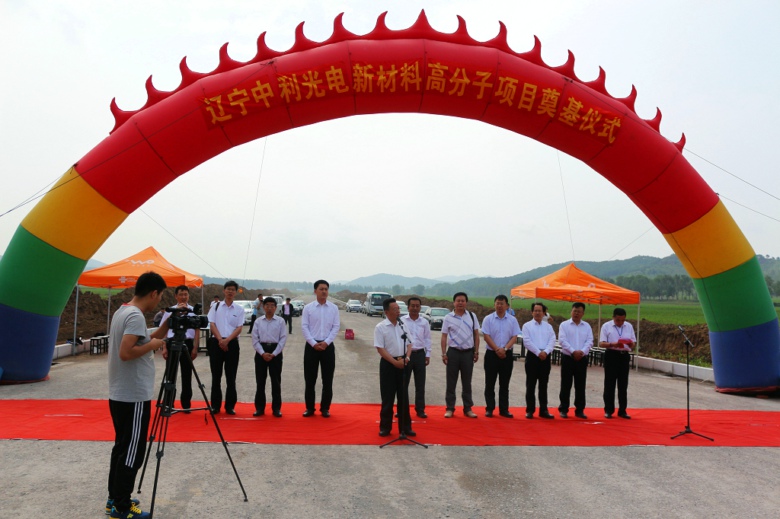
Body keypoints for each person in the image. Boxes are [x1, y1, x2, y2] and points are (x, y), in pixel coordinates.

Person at [105, 271, 168, 519]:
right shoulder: (135, 316)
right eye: (160, 296)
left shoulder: (123, 311)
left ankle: (115, 498)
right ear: (153, 293)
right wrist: (153, 345)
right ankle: (122, 507)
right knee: (133, 452)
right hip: (133, 395)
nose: (159, 301)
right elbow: (126, 352)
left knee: (122, 447)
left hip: (120, 393)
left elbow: (138, 340)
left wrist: (163, 330)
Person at [375, 298, 414, 437]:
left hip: (403, 363)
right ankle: (385, 427)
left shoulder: (403, 325)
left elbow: (410, 343)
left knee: (404, 396)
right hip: (388, 364)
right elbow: (380, 348)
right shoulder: (380, 327)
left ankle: (405, 427)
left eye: (398, 308)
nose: (398, 311)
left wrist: (407, 358)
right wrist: (394, 362)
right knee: (388, 396)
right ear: (386, 312)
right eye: (395, 309)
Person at [301, 279, 340, 417]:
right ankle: (310, 408)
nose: (324, 291)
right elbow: (304, 327)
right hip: (311, 347)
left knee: (327, 380)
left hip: (327, 347)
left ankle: (325, 408)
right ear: (315, 291)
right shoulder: (308, 308)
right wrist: (313, 343)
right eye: (321, 289)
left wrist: (326, 342)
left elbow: (336, 327)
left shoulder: (333, 308)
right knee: (310, 380)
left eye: (326, 289)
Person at [160, 285, 200, 413]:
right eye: (181, 294)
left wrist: (195, 348)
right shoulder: (170, 311)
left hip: (187, 343)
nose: (183, 297)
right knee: (170, 375)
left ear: (188, 296)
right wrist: (164, 347)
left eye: (185, 294)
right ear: (176, 296)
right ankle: (168, 403)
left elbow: (197, 330)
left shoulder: (193, 311)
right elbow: (164, 330)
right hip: (172, 343)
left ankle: (186, 404)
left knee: (187, 375)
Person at [207, 280, 245, 415]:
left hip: (232, 344)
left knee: (231, 377)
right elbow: (212, 324)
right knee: (216, 376)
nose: (230, 291)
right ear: (224, 291)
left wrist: (227, 340)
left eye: (233, 289)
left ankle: (230, 406)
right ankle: (215, 406)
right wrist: (220, 340)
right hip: (216, 343)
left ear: (236, 292)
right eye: (228, 289)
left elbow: (239, 327)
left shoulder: (239, 309)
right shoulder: (215, 307)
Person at [441, 292, 480, 419]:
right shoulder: (448, 317)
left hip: (468, 353)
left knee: (467, 382)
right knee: (451, 382)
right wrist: (444, 353)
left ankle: (468, 408)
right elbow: (444, 336)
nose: (460, 303)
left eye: (463, 301)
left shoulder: (472, 316)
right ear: (454, 302)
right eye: (458, 300)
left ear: (466, 302)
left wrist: (476, 351)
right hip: (453, 353)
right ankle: (450, 408)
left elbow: (476, 335)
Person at [481, 295, 521, 418]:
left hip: (506, 355)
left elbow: (514, 336)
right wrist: (497, 349)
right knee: (490, 383)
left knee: (504, 384)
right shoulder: (488, 319)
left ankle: (504, 409)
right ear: (494, 304)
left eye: (502, 303)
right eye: (497, 303)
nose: (499, 306)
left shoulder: (512, 320)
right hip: (491, 354)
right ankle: (490, 408)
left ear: (507, 306)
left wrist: (505, 349)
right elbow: (486, 336)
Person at [251, 297, 288, 418]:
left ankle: (276, 408)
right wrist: (262, 353)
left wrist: (274, 353)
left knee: (276, 382)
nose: (270, 308)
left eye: (272, 306)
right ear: (263, 307)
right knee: (260, 381)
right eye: (267, 305)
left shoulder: (280, 321)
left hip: (275, 352)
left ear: (276, 308)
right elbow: (255, 339)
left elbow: (283, 339)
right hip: (261, 352)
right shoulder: (258, 321)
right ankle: (259, 408)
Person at [558, 302, 593, 419]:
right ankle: (563, 409)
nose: (576, 313)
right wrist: (573, 351)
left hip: (582, 359)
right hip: (568, 358)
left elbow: (590, 341)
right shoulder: (564, 325)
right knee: (566, 384)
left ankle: (580, 410)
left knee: (580, 385)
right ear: (571, 311)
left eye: (579, 311)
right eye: (574, 311)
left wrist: (582, 352)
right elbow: (562, 341)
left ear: (583, 313)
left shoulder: (587, 326)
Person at [522, 302, 557, 419]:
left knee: (543, 385)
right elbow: (527, 341)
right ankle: (530, 410)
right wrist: (538, 352)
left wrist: (545, 352)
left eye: (540, 311)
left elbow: (552, 340)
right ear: (532, 312)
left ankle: (544, 410)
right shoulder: (527, 326)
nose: (537, 313)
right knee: (530, 385)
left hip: (545, 357)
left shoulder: (548, 327)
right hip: (533, 357)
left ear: (544, 313)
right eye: (535, 311)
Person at [600, 308, 636, 419]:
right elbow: (601, 343)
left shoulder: (629, 326)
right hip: (611, 355)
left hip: (624, 356)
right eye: (618, 320)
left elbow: (633, 342)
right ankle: (609, 410)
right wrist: (612, 344)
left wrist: (631, 344)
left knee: (623, 384)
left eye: (622, 320)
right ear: (613, 317)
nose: (620, 322)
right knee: (610, 384)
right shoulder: (606, 326)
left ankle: (622, 410)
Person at [401, 296, 432, 418]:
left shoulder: (424, 322)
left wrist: (428, 354)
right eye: (412, 306)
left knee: (420, 384)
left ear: (420, 307)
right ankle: (402, 409)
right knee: (403, 384)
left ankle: (420, 409)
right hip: (406, 355)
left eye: (417, 306)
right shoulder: (402, 321)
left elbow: (427, 339)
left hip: (420, 355)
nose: (415, 308)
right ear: (408, 307)